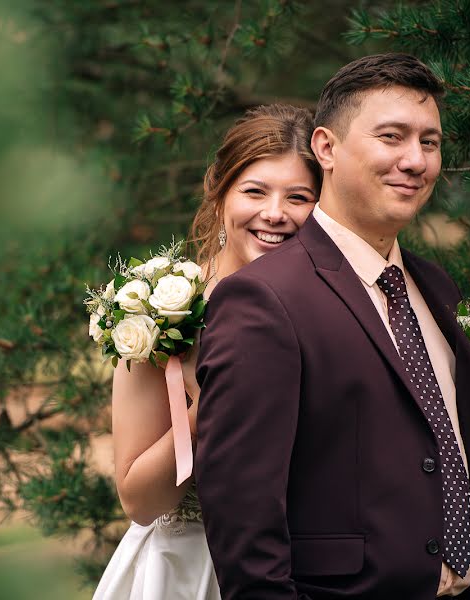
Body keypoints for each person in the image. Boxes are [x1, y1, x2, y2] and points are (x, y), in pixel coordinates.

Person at [195, 53, 470, 599]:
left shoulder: (434, 287)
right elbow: (243, 522)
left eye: (430, 142)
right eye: (392, 137)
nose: (415, 160)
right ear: (326, 148)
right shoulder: (263, 299)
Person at [92, 104, 322, 600]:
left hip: (312, 568)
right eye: (255, 191)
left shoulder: (332, 311)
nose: (275, 213)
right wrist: (213, 409)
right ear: (219, 195)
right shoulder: (159, 307)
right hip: (189, 569)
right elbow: (139, 500)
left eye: (298, 197)